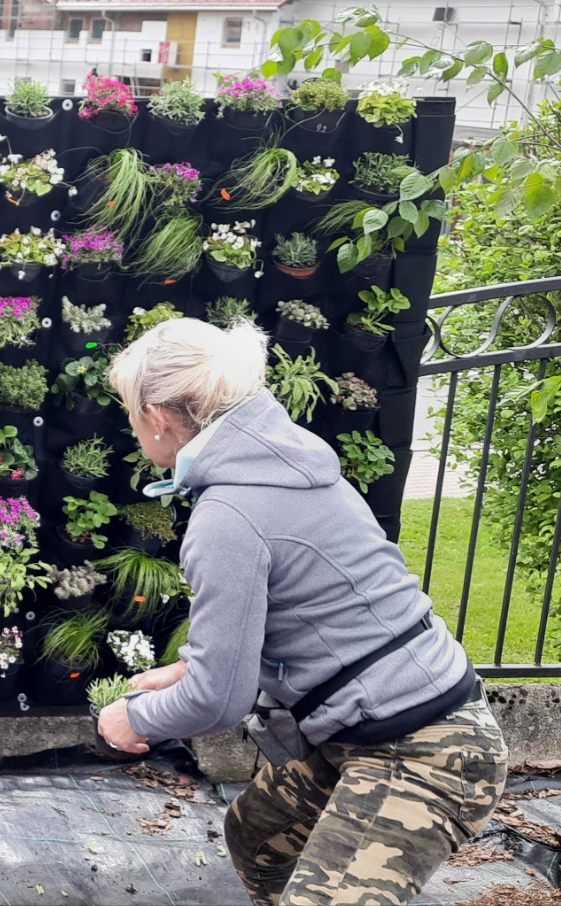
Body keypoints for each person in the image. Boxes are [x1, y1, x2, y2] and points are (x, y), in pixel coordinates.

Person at [97, 318, 507, 906]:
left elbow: (219, 701)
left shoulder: (230, 514)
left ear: (158, 416)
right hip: (385, 732)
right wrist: (188, 667)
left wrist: (130, 720)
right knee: (257, 834)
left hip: (423, 752)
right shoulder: (286, 465)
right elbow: (308, 608)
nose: (132, 426)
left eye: (129, 412)